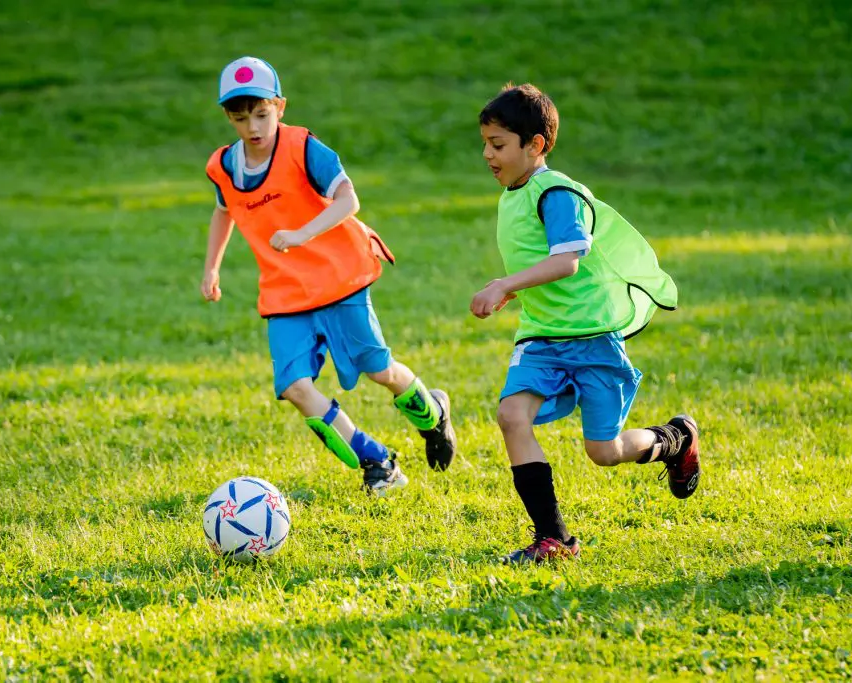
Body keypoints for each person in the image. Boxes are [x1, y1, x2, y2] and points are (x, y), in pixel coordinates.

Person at [201, 56, 457, 496]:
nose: (253, 128)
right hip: (286, 295)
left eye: (261, 115)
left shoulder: (303, 149)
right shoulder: (225, 166)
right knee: (295, 388)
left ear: (280, 106)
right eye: (241, 119)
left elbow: (348, 200)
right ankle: (378, 462)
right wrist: (211, 267)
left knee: (380, 371)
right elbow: (224, 210)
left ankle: (432, 412)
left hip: (340, 281)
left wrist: (302, 233)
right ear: (228, 117)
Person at [472, 83, 701, 563]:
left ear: (535, 145)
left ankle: (675, 439)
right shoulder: (512, 196)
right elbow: (544, 263)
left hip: (593, 340)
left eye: (498, 145)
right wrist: (513, 291)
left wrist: (501, 283)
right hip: (541, 337)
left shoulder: (555, 193)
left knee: (605, 450)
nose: (488, 155)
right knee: (512, 417)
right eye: (485, 144)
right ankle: (552, 539)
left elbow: (569, 260)